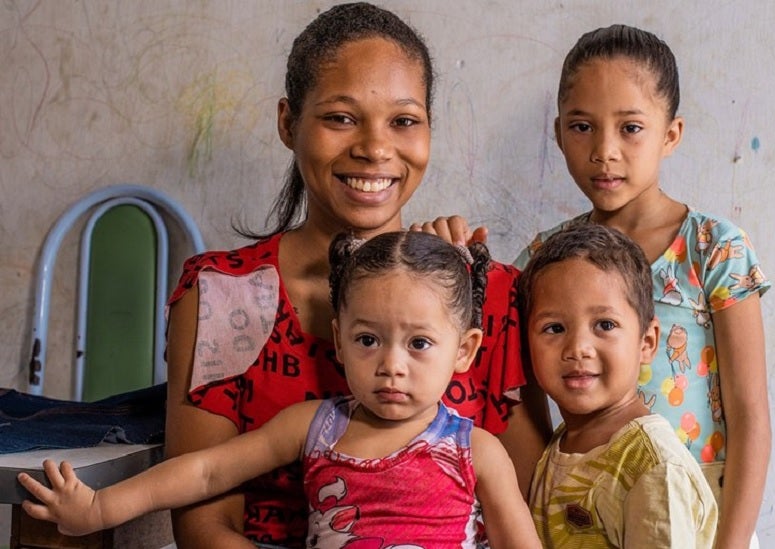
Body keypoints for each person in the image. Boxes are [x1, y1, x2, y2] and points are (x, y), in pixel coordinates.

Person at [164, 3, 549, 548]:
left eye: (404, 120)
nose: (373, 147)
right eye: (340, 118)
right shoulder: (224, 297)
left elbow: (536, 503)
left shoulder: (488, 296)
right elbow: (204, 527)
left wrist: (431, 284)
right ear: (287, 122)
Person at [18, 231, 542, 549]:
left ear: (465, 351)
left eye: (420, 343)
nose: (391, 365)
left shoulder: (474, 451)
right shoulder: (315, 425)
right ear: (338, 339)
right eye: (368, 339)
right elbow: (206, 470)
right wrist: (101, 509)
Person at [513, 25, 770, 548]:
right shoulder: (545, 259)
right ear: (558, 132)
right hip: (583, 509)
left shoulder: (712, 248)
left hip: (699, 511)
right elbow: (521, 390)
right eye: (582, 127)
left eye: (630, 128)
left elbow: (750, 417)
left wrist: (732, 544)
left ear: (670, 134)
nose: (604, 151)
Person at [519, 223, 718, 547]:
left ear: (647, 342)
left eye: (605, 325)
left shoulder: (653, 467)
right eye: (554, 328)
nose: (578, 347)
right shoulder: (561, 446)